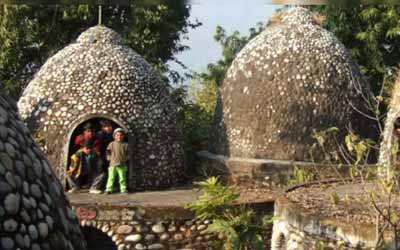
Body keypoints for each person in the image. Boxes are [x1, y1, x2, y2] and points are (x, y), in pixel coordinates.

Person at [105, 128, 129, 194]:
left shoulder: (125, 145)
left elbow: (128, 153)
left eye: (121, 135)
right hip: (112, 164)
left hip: (122, 164)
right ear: (114, 136)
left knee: (122, 178)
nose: (119, 137)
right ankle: (109, 189)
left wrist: (126, 158)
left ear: (123, 136)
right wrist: (108, 158)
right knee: (111, 177)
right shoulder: (111, 144)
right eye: (117, 135)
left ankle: (123, 189)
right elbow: (107, 152)